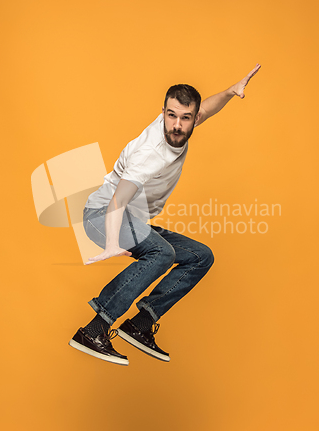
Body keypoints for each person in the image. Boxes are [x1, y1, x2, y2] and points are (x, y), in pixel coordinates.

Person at [69, 64, 261, 365]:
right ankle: (95, 330)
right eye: (171, 115)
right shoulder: (150, 154)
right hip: (101, 216)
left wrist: (228, 92)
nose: (176, 125)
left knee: (201, 256)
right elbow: (117, 200)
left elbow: (207, 109)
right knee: (161, 253)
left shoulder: (185, 124)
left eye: (185, 118)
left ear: (193, 119)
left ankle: (141, 324)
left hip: (131, 220)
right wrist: (110, 245)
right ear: (163, 113)